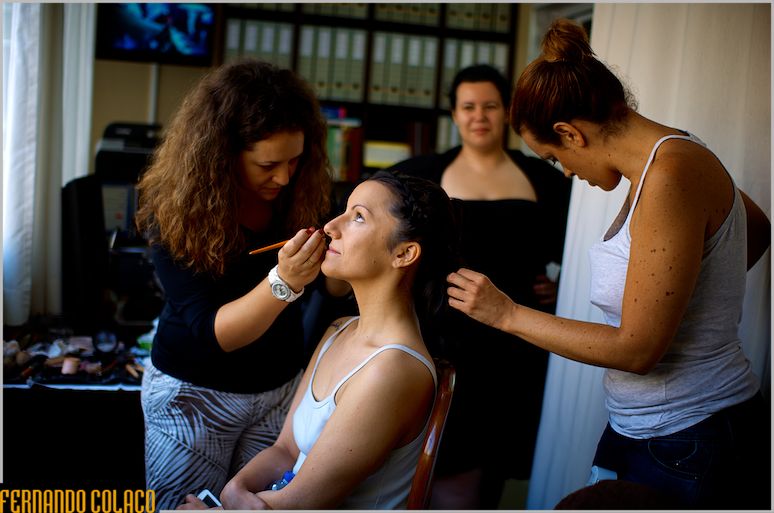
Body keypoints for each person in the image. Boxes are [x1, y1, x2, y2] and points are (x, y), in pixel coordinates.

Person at [446, 19, 771, 509]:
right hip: (654, 428)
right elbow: (755, 226)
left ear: (570, 134)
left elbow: (637, 350)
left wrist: (506, 314)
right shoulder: (673, 158)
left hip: (690, 436)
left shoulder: (670, 176)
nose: (565, 172)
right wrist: (690, 291)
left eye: (554, 158)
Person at [134, 59, 351, 511]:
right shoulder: (173, 210)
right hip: (194, 395)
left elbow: (328, 295)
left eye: (295, 160)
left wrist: (342, 270)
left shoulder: (302, 192)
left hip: (278, 393)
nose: (284, 177)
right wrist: (283, 281)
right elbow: (216, 334)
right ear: (222, 154)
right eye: (268, 164)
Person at [176, 170, 461, 510]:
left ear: (404, 254)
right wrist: (233, 490)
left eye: (358, 217)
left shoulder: (393, 369)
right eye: (344, 210)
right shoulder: (338, 330)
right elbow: (285, 450)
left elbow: (300, 503)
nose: (330, 227)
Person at [389, 64, 572, 508]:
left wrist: (561, 285)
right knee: (440, 457)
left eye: (490, 106)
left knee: (497, 458)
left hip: (518, 340)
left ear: (507, 111)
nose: (479, 116)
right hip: (446, 336)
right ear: (454, 113)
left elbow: (581, 243)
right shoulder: (424, 174)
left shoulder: (543, 178)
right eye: (468, 107)